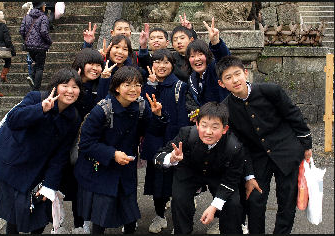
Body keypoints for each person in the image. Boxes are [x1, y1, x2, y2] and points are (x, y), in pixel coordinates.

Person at [0, 67, 83, 234]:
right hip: (11, 161)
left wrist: (50, 185)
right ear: (55, 86)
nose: (70, 91)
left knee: (40, 215)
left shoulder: (73, 117)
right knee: (15, 214)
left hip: (36, 168)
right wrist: (40, 108)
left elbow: (61, 154)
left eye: (75, 87)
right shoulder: (36, 98)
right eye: (65, 85)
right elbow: (13, 119)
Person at [216, 55, 313, 234]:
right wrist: (249, 175)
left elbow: (293, 115)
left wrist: (306, 145)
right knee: (255, 201)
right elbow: (239, 144)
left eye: (237, 74)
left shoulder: (271, 91)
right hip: (257, 157)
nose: (235, 80)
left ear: (246, 73)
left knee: (287, 200)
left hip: (287, 150)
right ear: (222, 84)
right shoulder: (226, 109)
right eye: (228, 78)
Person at [74, 66, 168, 234]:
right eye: (127, 85)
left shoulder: (141, 106)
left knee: (130, 216)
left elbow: (152, 131)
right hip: (102, 169)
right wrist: (112, 154)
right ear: (116, 87)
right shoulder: (101, 110)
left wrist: (158, 116)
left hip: (126, 167)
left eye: (138, 84)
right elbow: (86, 144)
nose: (134, 89)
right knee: (100, 218)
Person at [154, 102, 245, 234]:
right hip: (189, 172)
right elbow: (158, 156)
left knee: (232, 203)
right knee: (179, 200)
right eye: (204, 126)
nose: (208, 132)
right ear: (197, 124)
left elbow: (232, 179)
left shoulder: (234, 147)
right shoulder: (186, 134)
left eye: (215, 127)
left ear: (225, 129)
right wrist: (171, 158)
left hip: (219, 175)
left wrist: (214, 206)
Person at [141, 49, 189, 233]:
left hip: (173, 140)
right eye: (157, 62)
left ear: (172, 65)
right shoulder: (146, 85)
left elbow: (183, 117)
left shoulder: (179, 86)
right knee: (157, 184)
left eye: (166, 62)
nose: (161, 66)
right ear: (151, 65)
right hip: (154, 140)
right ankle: (159, 215)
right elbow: (143, 110)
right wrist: (151, 86)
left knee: (177, 184)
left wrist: (181, 142)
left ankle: (179, 219)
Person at [58, 48, 105, 234]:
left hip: (84, 144)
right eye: (91, 64)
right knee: (60, 184)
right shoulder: (69, 85)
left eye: (99, 65)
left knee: (81, 186)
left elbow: (99, 111)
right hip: (64, 142)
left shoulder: (101, 85)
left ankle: (80, 224)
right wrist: (76, 84)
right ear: (81, 64)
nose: (96, 68)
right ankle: (57, 223)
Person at [185, 18, 231, 114]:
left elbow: (224, 59)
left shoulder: (214, 69)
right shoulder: (192, 78)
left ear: (207, 56)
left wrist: (215, 43)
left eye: (200, 54)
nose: (197, 59)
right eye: (192, 56)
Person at [96, 34, 144, 102]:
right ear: (109, 49)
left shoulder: (134, 71)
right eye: (117, 47)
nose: (120, 52)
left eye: (125, 49)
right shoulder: (100, 68)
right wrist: (104, 79)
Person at [19, 1, 52, 91]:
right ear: (42, 6)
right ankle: (36, 88)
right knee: (40, 67)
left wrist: (28, 39)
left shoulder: (26, 17)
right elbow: (44, 31)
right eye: (44, 5)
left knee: (36, 63)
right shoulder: (43, 17)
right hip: (40, 46)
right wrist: (49, 41)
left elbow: (21, 31)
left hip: (30, 47)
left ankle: (32, 77)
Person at [170, 13, 198, 83]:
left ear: (191, 40)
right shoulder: (171, 59)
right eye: (175, 40)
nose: (179, 42)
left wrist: (190, 30)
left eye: (182, 38)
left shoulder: (199, 56)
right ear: (172, 45)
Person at [22, 2, 35, 84]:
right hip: (38, 43)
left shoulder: (26, 18)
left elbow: (22, 30)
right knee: (38, 61)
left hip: (28, 42)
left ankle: (31, 74)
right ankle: (32, 75)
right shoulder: (40, 16)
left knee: (29, 60)